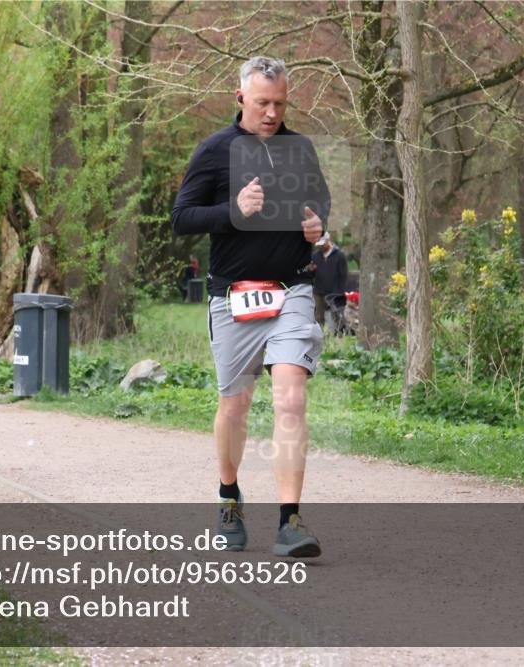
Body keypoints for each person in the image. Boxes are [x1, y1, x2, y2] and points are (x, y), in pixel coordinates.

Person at [170, 56, 329, 558]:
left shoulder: (300, 149)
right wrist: (233, 211)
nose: (272, 113)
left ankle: (290, 521)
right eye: (262, 103)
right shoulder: (215, 150)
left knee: (291, 400)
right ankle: (228, 497)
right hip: (233, 296)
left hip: (291, 290)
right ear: (240, 98)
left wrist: (317, 226)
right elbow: (182, 218)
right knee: (235, 407)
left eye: (280, 103)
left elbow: (320, 203)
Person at [311, 232, 348, 333]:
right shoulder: (315, 256)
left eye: (322, 244)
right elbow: (312, 274)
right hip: (319, 292)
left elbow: (343, 275)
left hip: (334, 292)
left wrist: (340, 292)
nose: (320, 247)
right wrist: (311, 271)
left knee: (336, 316)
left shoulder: (339, 256)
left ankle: (338, 335)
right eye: (318, 245)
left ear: (328, 241)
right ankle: (319, 336)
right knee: (318, 317)